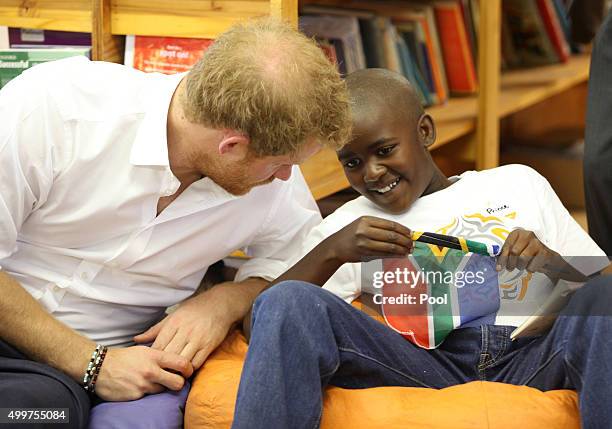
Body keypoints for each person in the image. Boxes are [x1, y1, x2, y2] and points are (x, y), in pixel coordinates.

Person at [0, 18, 350, 429]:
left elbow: (302, 260)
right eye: (281, 165)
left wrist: (223, 302)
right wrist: (93, 363)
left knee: (35, 418)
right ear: (232, 146)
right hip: (66, 351)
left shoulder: (270, 184)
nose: (287, 178)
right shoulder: (54, 108)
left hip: (66, 382)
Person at [233, 69, 610, 429]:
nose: (372, 172)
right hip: (423, 365)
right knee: (290, 300)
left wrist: (551, 263)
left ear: (425, 132)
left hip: (530, 353)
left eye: (384, 150)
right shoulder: (346, 228)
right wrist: (332, 251)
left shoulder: (516, 184)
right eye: (352, 162)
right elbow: (266, 323)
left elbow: (598, 291)